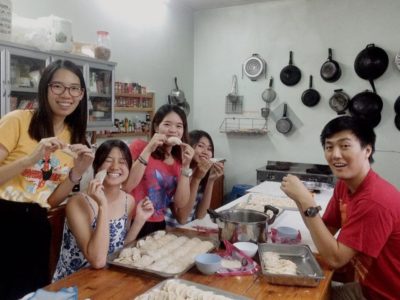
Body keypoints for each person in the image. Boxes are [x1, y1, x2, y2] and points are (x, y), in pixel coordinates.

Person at [0, 60, 94, 300]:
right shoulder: (18, 120)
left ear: (82, 95)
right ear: (45, 89)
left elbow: (51, 200)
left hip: (36, 226)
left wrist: (77, 172)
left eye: (74, 88)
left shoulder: (73, 137)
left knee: (32, 294)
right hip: (4, 219)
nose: (67, 95)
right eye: (58, 86)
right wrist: (30, 159)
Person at [280, 116, 400, 300]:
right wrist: (299, 198)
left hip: (381, 294)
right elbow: (325, 229)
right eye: (329, 147)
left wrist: (306, 200)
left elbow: (335, 259)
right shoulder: (346, 185)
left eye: (344, 146)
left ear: (367, 150)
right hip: (362, 284)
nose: (335, 154)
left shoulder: (375, 201)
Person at [53, 139, 154, 281]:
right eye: (108, 160)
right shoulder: (78, 203)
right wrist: (103, 205)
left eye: (122, 162)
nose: (115, 167)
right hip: (73, 284)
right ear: (97, 166)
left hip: (107, 279)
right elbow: (97, 260)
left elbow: (120, 249)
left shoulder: (128, 201)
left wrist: (139, 220)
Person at [123, 104, 194, 238]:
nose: (173, 130)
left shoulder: (180, 161)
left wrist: (186, 166)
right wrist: (149, 149)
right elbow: (127, 186)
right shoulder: (140, 147)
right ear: (156, 127)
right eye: (167, 124)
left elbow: (180, 203)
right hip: (131, 220)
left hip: (158, 224)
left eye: (179, 126)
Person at [165, 130, 224, 227]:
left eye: (209, 149)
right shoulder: (179, 172)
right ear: (188, 147)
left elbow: (201, 215)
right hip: (169, 230)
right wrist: (196, 179)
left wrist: (210, 181)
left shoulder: (202, 174)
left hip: (188, 228)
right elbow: (182, 219)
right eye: (200, 146)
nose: (205, 152)